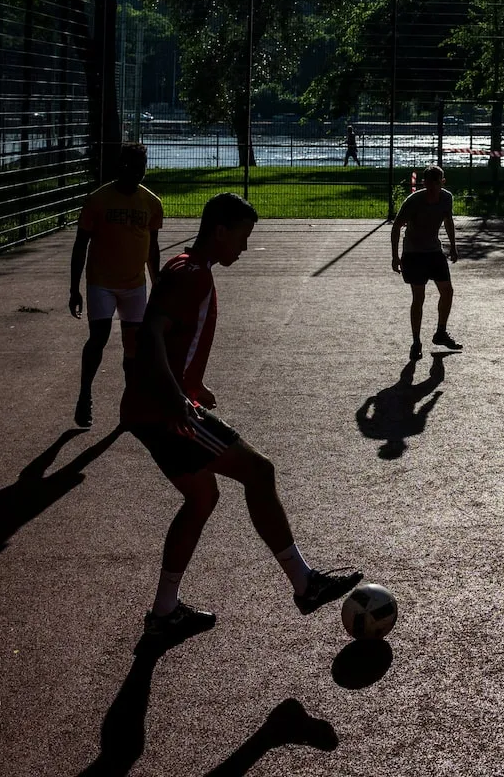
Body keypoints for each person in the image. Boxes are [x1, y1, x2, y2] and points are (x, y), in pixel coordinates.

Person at [123, 192, 362, 642]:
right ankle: (305, 584)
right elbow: (150, 334)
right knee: (259, 470)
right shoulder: (192, 275)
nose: (245, 247)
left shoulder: (184, 266)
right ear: (220, 230)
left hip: (149, 407)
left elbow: (168, 337)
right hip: (163, 409)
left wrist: (191, 383)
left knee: (201, 498)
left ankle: (164, 611)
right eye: (243, 236)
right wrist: (178, 397)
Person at [68, 143, 163, 429]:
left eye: (142, 169)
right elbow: (80, 244)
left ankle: (130, 403)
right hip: (102, 282)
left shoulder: (151, 202)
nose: (138, 175)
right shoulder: (98, 200)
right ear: (121, 168)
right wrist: (75, 288)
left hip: (134, 284)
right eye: (133, 168)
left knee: (133, 349)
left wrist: (155, 281)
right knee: (99, 337)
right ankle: (85, 394)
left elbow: (153, 247)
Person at [392, 165, 461, 359]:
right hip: (414, 252)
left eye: (436, 184)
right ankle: (416, 341)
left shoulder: (446, 198)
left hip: (434, 251)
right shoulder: (414, 201)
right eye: (429, 184)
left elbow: (448, 220)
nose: (432, 188)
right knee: (419, 297)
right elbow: (396, 226)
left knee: (447, 291)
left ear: (442, 182)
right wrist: (395, 256)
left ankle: (441, 332)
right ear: (424, 183)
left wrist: (453, 246)